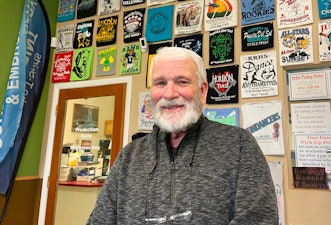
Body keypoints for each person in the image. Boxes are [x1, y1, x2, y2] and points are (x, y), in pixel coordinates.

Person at [86, 47, 278, 224]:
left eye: (182, 82)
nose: (169, 93)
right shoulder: (129, 157)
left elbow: (259, 220)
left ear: (202, 91)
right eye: (160, 83)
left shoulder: (239, 146)